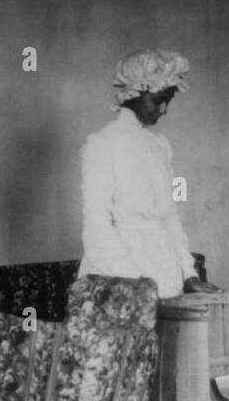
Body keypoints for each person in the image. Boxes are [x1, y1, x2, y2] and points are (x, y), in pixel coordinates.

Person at [80, 49, 218, 298]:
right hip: (117, 275)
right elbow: (96, 226)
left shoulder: (160, 146)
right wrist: (136, 282)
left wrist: (189, 274)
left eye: (169, 100)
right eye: (158, 100)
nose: (164, 109)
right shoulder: (102, 143)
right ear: (134, 92)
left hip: (163, 269)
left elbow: (170, 217)